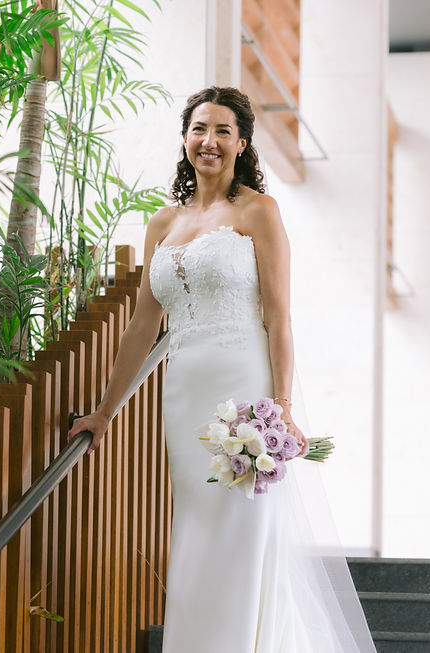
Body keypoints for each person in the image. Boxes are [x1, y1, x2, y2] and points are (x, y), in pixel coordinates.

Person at [70, 87, 375, 651]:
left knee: (237, 530)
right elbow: (143, 327)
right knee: (195, 530)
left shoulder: (258, 210)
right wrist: (105, 412)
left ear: (241, 143)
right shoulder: (162, 223)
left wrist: (280, 409)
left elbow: (279, 317)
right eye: (199, 129)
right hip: (183, 391)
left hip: (243, 390)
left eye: (222, 131)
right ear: (185, 138)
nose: (209, 141)